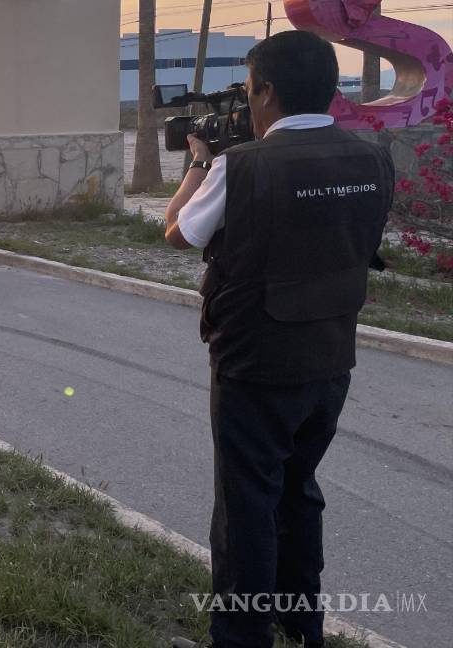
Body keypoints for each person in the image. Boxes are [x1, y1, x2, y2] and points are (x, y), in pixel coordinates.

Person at [163, 31, 394, 648]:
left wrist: (198, 161)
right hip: (331, 359)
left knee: (246, 508)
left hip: (254, 361)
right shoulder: (373, 158)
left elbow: (177, 234)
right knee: (299, 493)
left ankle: (241, 637)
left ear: (264, 90)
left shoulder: (241, 166)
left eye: (248, 89)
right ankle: (302, 626)